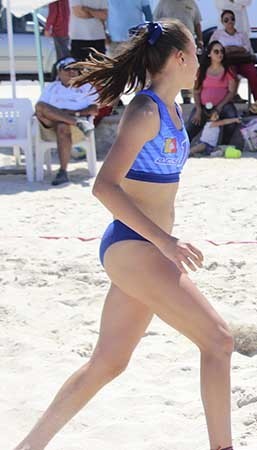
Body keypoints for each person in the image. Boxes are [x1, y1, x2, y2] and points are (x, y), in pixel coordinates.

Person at [13, 20, 234, 450]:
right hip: (133, 247)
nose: (203, 61)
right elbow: (104, 186)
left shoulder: (172, 110)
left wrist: (164, 241)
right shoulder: (145, 109)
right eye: (197, 52)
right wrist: (166, 242)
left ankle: (28, 446)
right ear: (180, 58)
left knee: (107, 363)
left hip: (144, 249)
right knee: (219, 341)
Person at [34, 57, 98, 186]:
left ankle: (62, 171)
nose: (72, 72)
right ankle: (76, 121)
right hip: (50, 126)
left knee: (63, 126)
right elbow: (40, 109)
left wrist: (72, 113)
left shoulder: (86, 87)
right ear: (59, 72)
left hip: (75, 129)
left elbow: (94, 109)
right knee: (40, 106)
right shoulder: (51, 87)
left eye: (75, 69)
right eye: (67, 69)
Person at [186, 41, 240, 150]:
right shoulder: (202, 70)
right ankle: (183, 148)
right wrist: (198, 109)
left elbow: (231, 92)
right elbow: (196, 91)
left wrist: (219, 107)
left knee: (232, 117)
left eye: (221, 51)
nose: (220, 54)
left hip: (223, 105)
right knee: (191, 125)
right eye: (216, 51)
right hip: (203, 106)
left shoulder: (228, 71)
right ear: (209, 54)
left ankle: (224, 144)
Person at [211, 9, 257, 104]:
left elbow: (247, 48)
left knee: (253, 73)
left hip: (242, 61)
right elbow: (213, 48)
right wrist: (236, 48)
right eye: (226, 20)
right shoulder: (218, 34)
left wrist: (230, 48)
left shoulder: (242, 34)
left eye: (232, 19)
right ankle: (229, 100)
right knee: (231, 75)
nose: (230, 21)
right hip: (227, 62)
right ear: (222, 22)